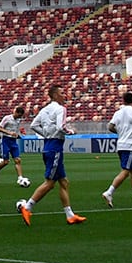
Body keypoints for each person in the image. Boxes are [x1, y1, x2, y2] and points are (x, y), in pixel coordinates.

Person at [19, 82, 86, 227]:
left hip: (48, 146)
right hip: (55, 147)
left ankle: (70, 215)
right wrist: (71, 132)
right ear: (55, 95)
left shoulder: (44, 110)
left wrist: (47, 135)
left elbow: (34, 125)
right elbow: (61, 127)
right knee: (49, 183)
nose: (64, 95)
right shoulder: (61, 109)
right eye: (62, 93)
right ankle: (27, 207)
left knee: (63, 182)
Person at [103, 91, 132, 209]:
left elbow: (110, 127)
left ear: (123, 100)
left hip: (120, 144)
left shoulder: (118, 112)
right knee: (125, 171)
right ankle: (109, 192)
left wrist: (120, 133)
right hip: (129, 145)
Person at [0, 102, 27, 184]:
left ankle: (20, 178)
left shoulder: (18, 120)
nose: (20, 117)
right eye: (19, 115)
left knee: (18, 160)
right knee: (6, 161)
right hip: (6, 140)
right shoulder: (7, 118)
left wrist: (20, 132)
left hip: (13, 141)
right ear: (16, 112)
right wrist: (9, 133)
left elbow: (16, 128)